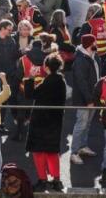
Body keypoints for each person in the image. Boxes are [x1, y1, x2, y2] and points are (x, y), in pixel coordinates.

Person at [26, 53, 66, 192]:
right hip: (55, 121)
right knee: (52, 151)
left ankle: (42, 180)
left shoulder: (48, 81)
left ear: (46, 67)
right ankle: (56, 180)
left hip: (41, 121)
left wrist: (30, 78)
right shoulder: (61, 81)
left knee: (38, 152)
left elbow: (30, 94)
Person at [14, 33, 55, 141]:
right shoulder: (47, 59)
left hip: (25, 88)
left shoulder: (23, 59)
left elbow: (18, 75)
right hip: (40, 89)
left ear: (32, 46)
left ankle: (19, 133)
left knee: (21, 112)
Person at [70, 34, 102, 165]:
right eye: (95, 41)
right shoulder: (80, 60)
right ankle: (74, 152)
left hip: (93, 98)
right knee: (81, 125)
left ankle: (83, 146)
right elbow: (81, 82)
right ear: (90, 44)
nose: (97, 44)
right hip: (84, 99)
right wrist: (89, 99)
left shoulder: (94, 56)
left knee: (87, 124)